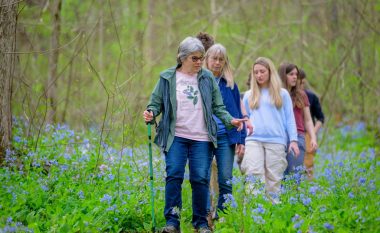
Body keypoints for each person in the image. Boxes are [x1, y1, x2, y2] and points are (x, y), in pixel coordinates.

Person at [143, 37, 246, 233]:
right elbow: (155, 103)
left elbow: (218, 106)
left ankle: (201, 223)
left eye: (201, 58)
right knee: (173, 175)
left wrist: (229, 120)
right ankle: (172, 222)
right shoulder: (167, 77)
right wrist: (150, 112)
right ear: (182, 58)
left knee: (200, 179)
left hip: (202, 138)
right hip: (176, 137)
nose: (199, 61)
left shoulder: (207, 78)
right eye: (195, 58)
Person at [241, 57, 299, 203]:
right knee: (254, 176)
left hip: (276, 141)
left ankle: (272, 214)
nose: (259, 75)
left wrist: (293, 140)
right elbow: (244, 120)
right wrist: (240, 142)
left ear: (270, 72)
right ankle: (254, 213)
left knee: (274, 179)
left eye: (262, 71)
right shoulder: (249, 95)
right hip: (253, 140)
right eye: (256, 72)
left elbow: (289, 119)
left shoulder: (282, 94)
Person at [203, 43, 247, 221]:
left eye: (221, 59)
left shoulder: (230, 85)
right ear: (207, 60)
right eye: (214, 58)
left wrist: (241, 140)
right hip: (202, 137)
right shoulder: (199, 81)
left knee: (226, 179)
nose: (217, 62)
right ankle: (204, 214)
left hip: (225, 138)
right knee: (202, 178)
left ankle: (222, 216)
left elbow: (238, 113)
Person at [278, 63, 318, 176]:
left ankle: (292, 194)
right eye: (291, 74)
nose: (295, 77)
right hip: (279, 137)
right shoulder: (275, 94)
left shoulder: (301, 95)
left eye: (296, 74)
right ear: (282, 76)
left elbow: (308, 120)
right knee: (278, 175)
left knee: (294, 174)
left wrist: (313, 138)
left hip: (298, 137)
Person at [299, 68, 325, 179]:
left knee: (308, 164)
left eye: (303, 83)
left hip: (308, 134)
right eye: (300, 83)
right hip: (293, 134)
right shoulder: (287, 95)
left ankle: (309, 189)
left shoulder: (311, 97)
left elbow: (320, 118)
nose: (301, 85)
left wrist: (312, 133)